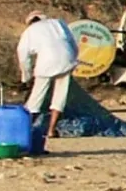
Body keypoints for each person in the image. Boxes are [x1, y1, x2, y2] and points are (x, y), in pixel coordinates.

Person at [17, 12, 80, 145]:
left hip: (46, 63)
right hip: (66, 59)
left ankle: (25, 129)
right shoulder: (58, 23)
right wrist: (73, 60)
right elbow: (73, 43)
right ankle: (51, 130)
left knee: (36, 98)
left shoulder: (30, 31)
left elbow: (23, 57)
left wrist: (25, 78)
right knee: (60, 96)